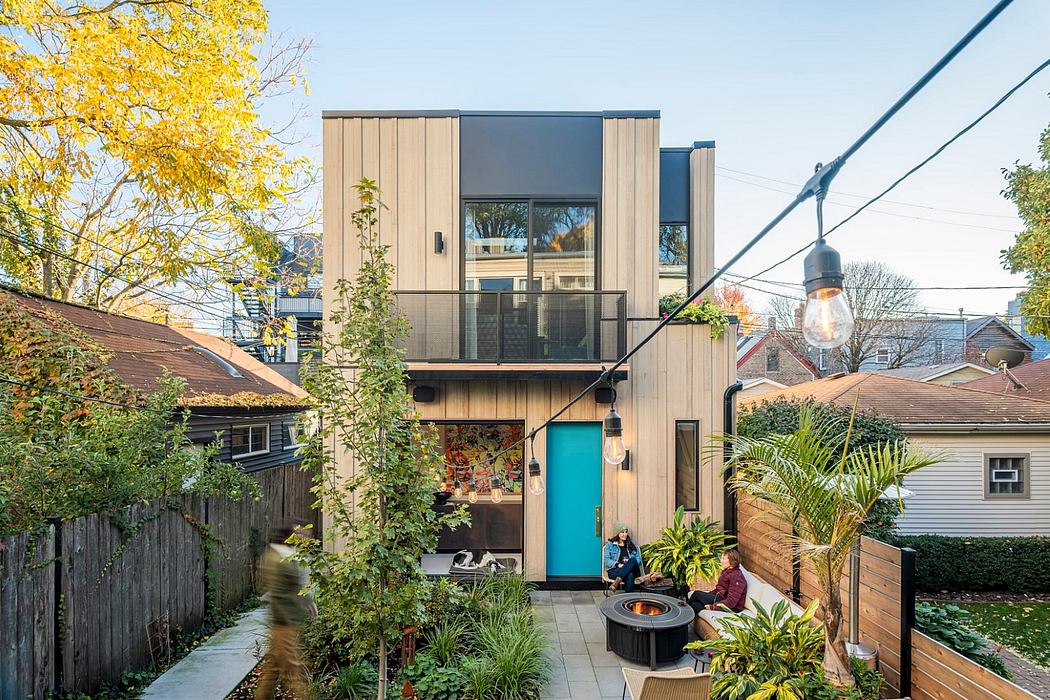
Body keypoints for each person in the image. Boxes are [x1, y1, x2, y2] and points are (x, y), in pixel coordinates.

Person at [256, 521, 315, 700]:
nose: (304, 538)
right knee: (293, 668)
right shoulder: (277, 559)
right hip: (283, 622)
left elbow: (295, 586)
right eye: (300, 535)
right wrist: (288, 621)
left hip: (284, 621)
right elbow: (279, 594)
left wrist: (308, 602)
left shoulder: (285, 555)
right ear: (289, 536)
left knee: (273, 667)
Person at [687, 548, 747, 615]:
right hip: (721, 598)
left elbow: (732, 601)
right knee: (695, 605)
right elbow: (720, 589)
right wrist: (708, 595)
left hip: (733, 607)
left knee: (697, 594)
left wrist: (713, 607)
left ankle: (683, 610)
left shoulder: (737, 577)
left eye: (723, 559)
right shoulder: (728, 571)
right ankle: (683, 623)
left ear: (732, 561)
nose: (721, 561)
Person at [603, 524, 643, 592]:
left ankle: (617, 582)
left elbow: (638, 559)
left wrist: (628, 565)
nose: (625, 534)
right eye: (622, 532)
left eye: (626, 532)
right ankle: (628, 599)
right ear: (617, 533)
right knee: (630, 574)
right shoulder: (610, 545)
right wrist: (617, 564)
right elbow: (607, 560)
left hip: (633, 570)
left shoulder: (631, 545)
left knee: (633, 560)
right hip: (616, 570)